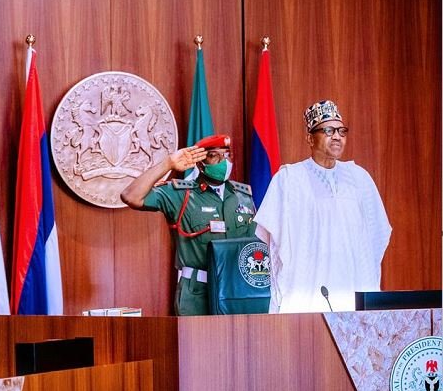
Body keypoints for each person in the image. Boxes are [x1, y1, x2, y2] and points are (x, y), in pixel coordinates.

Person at [254, 100, 391, 313]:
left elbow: (378, 235)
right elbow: (271, 237)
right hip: (306, 296)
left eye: (341, 131)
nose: (336, 136)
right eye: (328, 130)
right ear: (310, 138)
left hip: (352, 291)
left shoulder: (360, 178)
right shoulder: (289, 179)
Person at [121, 134, 258, 315]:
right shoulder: (180, 194)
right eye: (214, 156)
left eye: (227, 155)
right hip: (197, 292)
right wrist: (168, 164)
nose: (223, 162)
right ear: (200, 163)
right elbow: (131, 196)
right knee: (197, 343)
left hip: (237, 289)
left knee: (239, 343)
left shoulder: (244, 196)